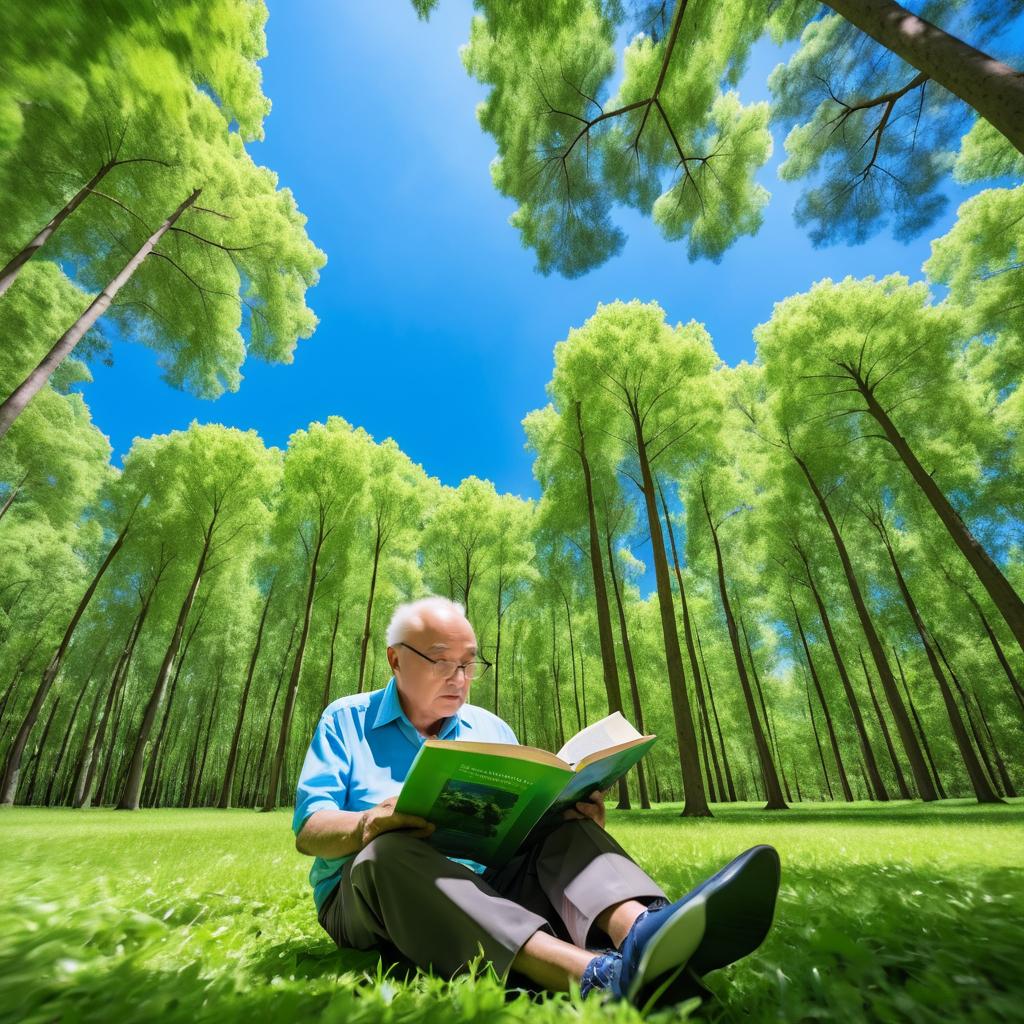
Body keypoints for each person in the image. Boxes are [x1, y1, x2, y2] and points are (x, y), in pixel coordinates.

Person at [293, 595, 781, 1009]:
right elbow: (309, 832)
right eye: (442, 661)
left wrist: (568, 813)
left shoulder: (490, 729)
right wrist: (367, 825)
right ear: (396, 659)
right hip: (367, 900)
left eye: (469, 664)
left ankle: (641, 933)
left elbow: (518, 822)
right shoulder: (346, 720)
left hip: (483, 885)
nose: (460, 678)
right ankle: (596, 977)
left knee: (563, 826)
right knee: (387, 852)